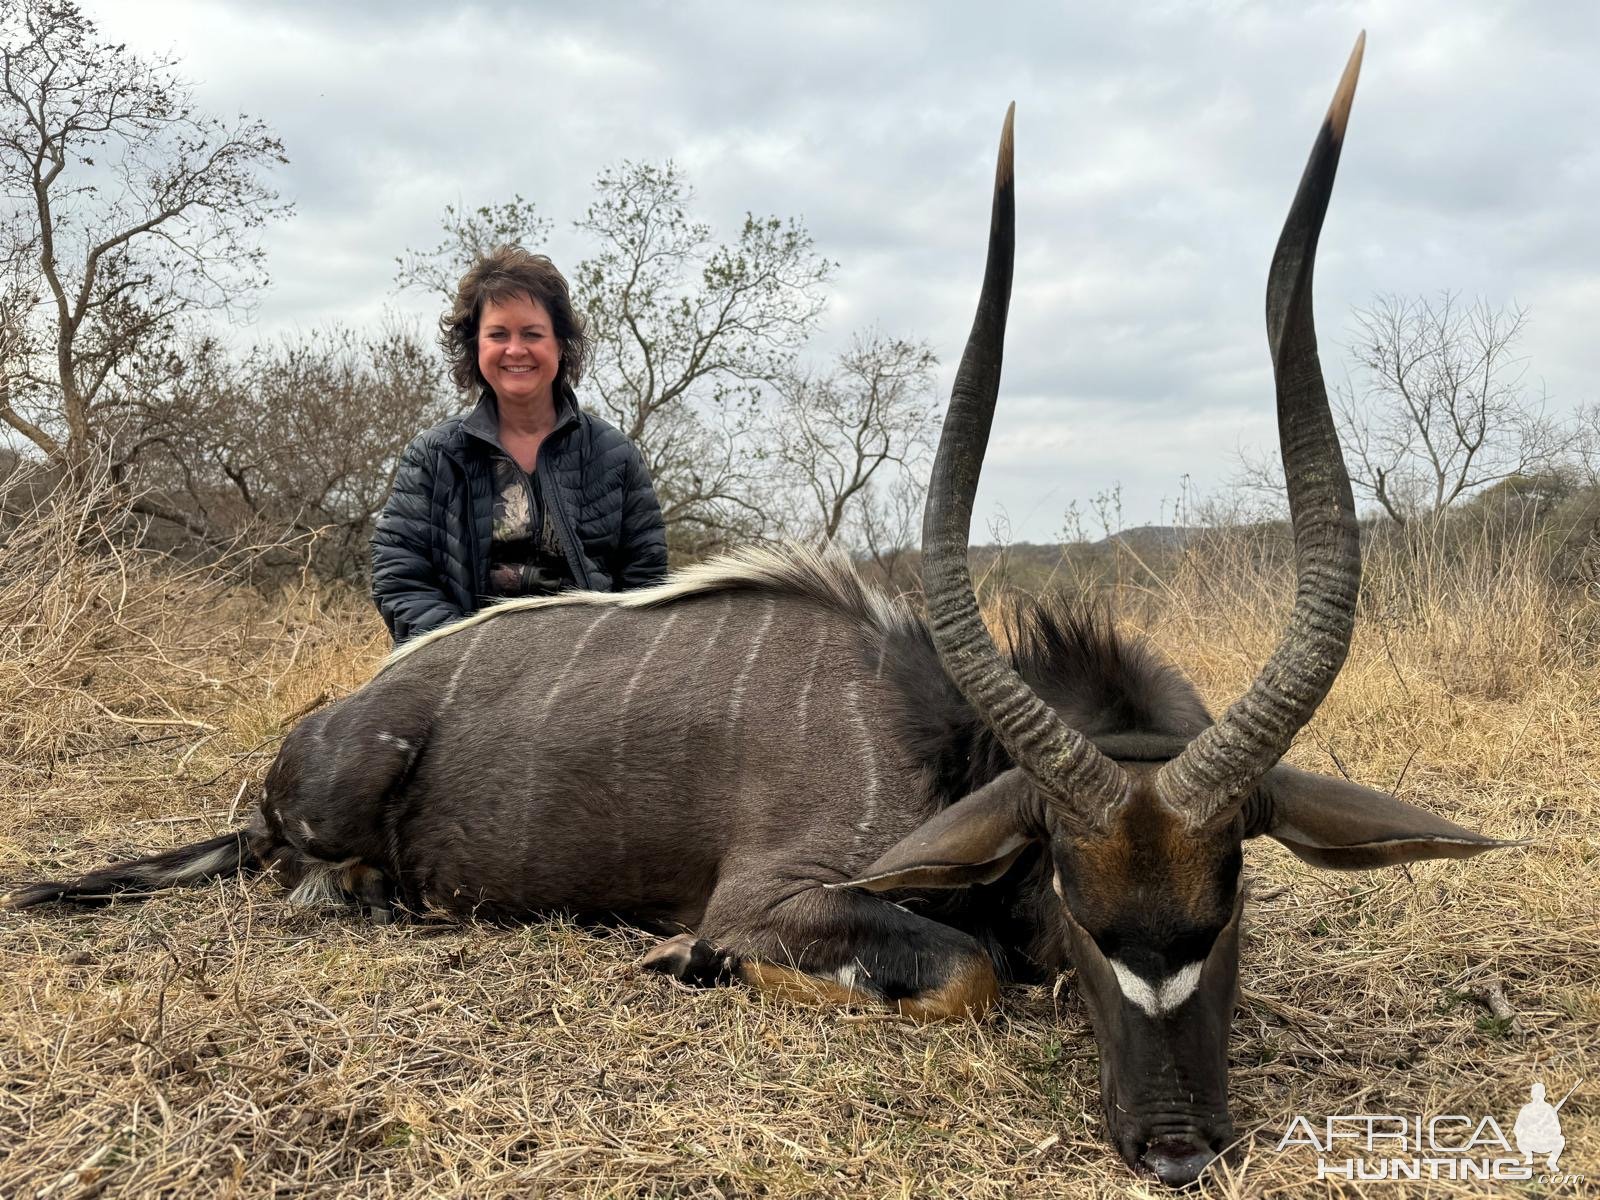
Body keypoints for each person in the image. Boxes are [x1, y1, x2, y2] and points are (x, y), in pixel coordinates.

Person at [372, 246, 667, 643]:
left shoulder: (616, 456)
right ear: (476, 346)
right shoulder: (433, 454)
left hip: (589, 673)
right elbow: (399, 577)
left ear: (560, 346)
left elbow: (646, 585)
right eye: (498, 334)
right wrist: (462, 655)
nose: (515, 349)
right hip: (460, 669)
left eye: (532, 334)